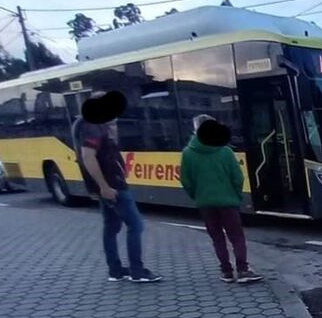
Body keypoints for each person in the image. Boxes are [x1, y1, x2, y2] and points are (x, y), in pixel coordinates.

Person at [77, 91, 161, 283]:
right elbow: (88, 157)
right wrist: (104, 187)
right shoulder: (92, 126)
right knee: (136, 225)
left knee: (111, 226)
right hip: (113, 185)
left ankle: (115, 270)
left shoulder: (98, 124)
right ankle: (137, 271)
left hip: (110, 183)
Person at [180, 119, 262, 283]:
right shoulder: (225, 151)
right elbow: (238, 178)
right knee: (236, 237)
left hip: (205, 203)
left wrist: (198, 196)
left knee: (217, 238)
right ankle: (243, 270)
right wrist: (236, 195)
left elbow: (186, 181)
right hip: (228, 202)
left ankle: (226, 272)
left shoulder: (188, 153)